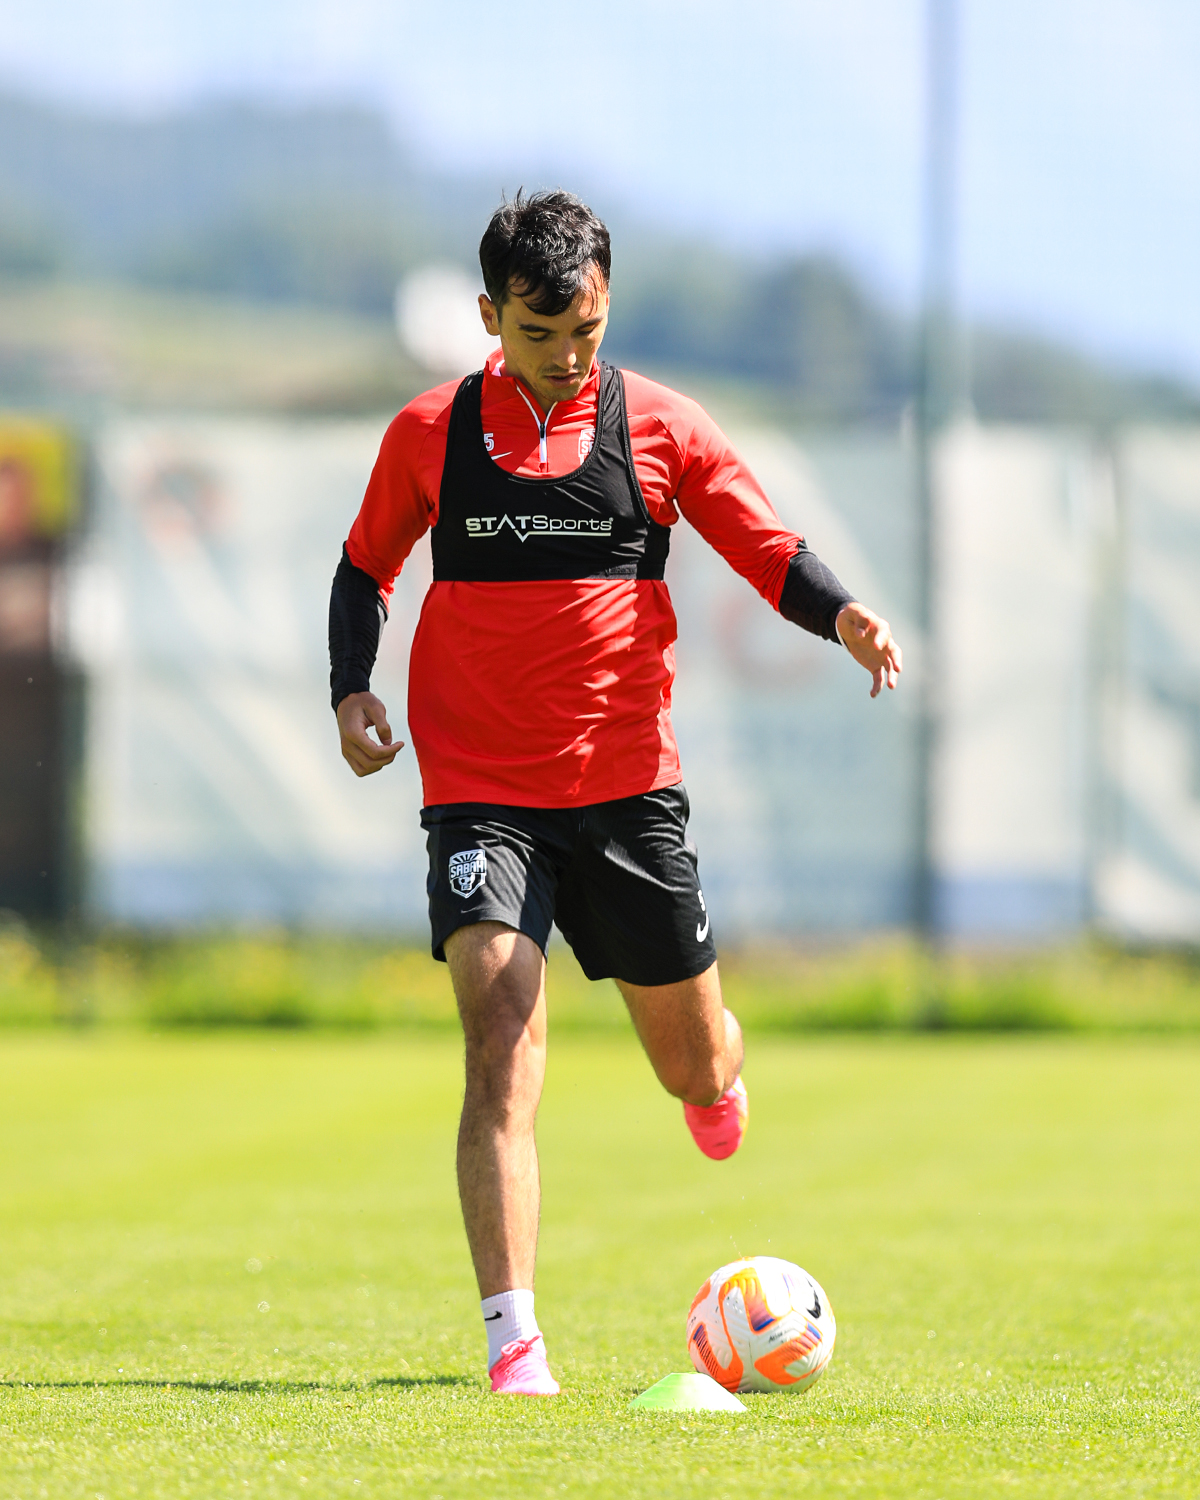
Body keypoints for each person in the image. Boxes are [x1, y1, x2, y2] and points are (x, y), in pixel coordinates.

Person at [328, 191, 902, 1397]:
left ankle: (717, 1075)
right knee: (500, 1047)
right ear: (489, 317)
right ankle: (514, 1341)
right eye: (538, 333)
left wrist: (843, 611)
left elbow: (763, 545)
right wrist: (350, 688)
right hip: (481, 792)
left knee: (692, 1066)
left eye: (584, 330)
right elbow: (365, 566)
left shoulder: (663, 426)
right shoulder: (429, 432)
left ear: (607, 307)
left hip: (628, 792)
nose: (564, 354)